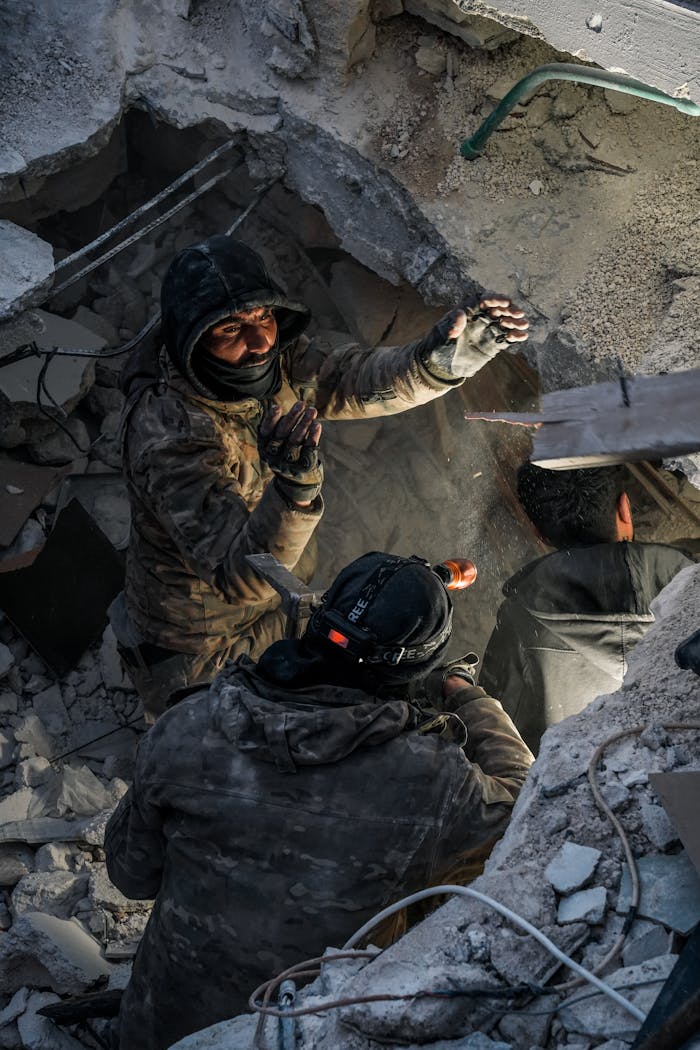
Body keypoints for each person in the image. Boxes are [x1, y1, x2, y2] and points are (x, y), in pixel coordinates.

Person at [105, 550, 534, 1050]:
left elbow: (129, 875)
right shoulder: (431, 783)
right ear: (414, 673)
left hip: (155, 1032)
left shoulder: (187, 725)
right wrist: (468, 695)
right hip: (287, 1037)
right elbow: (528, 804)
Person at [111, 234, 528, 718]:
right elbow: (243, 577)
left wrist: (442, 360)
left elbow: (351, 379)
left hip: (278, 603)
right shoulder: (170, 437)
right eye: (229, 330)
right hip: (204, 645)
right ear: (191, 341)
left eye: (263, 318)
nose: (257, 343)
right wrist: (296, 489)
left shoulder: (274, 359)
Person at [479, 463, 694, 753]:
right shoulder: (692, 588)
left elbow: (501, 735)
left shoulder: (519, 621)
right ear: (625, 509)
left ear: (539, 534)